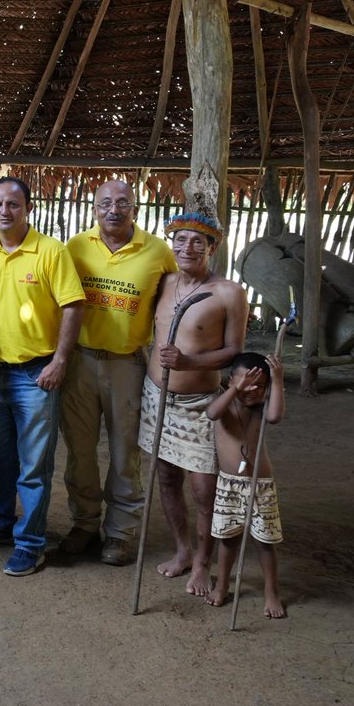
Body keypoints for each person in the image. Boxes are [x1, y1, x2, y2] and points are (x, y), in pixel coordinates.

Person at [0, 176, 85, 576]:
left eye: (13, 204)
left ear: (28, 208)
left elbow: (73, 306)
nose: (4, 212)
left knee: (34, 464)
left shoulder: (50, 251)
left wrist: (60, 360)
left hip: (36, 373)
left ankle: (30, 543)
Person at [59, 180, 176, 566]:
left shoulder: (158, 252)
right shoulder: (75, 248)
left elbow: (174, 300)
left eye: (122, 202)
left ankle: (120, 532)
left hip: (128, 363)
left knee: (126, 451)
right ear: (94, 209)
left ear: (136, 208)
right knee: (79, 450)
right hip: (79, 362)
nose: (114, 209)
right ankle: (85, 524)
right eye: (105, 203)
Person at [138, 211, 247, 597]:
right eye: (180, 240)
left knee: (204, 489)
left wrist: (189, 362)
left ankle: (203, 563)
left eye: (198, 241)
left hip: (201, 403)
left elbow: (235, 350)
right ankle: (183, 550)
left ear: (212, 248)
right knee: (166, 478)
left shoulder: (229, 293)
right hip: (157, 398)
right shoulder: (165, 283)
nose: (187, 248)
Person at [204, 352, 286, 618]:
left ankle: (271, 592)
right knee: (227, 540)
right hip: (229, 485)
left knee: (265, 542)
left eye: (259, 386)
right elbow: (212, 413)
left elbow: (275, 417)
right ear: (230, 381)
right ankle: (223, 584)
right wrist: (234, 390)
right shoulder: (224, 404)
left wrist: (277, 380)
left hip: (260, 485)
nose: (252, 390)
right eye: (245, 384)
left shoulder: (263, 408)